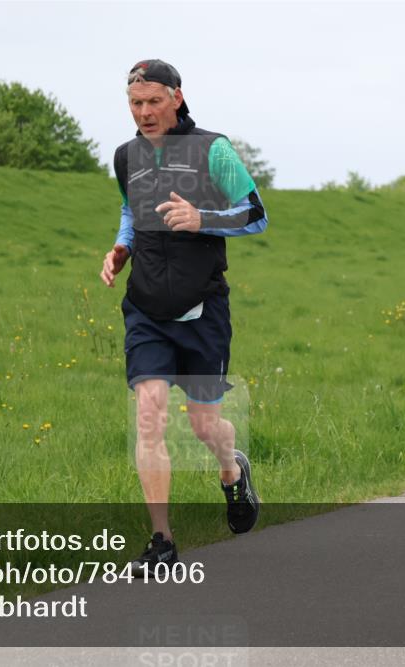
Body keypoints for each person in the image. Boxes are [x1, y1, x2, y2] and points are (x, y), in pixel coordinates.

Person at [99, 60, 269, 572]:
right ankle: (162, 542)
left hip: (203, 308)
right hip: (146, 307)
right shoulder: (125, 156)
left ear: (176, 97)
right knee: (149, 413)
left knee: (203, 424)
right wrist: (122, 247)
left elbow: (256, 214)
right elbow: (131, 209)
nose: (144, 112)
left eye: (154, 101)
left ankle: (232, 471)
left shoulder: (213, 149)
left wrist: (202, 219)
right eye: (135, 103)